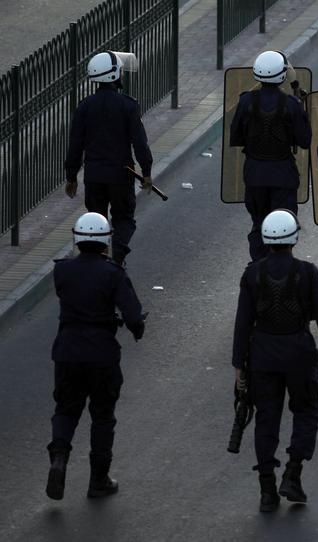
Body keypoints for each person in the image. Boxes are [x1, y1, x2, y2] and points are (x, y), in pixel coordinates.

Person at [231, 209, 318, 512]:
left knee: (266, 419)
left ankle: (267, 490)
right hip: (299, 353)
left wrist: (237, 366)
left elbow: (243, 322)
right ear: (294, 237)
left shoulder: (253, 273)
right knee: (307, 410)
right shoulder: (307, 273)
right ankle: (293, 473)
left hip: (262, 356)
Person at [46, 212, 146, 501]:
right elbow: (132, 314)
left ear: (77, 239)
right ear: (106, 241)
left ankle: (59, 457)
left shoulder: (62, 271)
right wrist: (137, 328)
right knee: (102, 416)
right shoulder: (113, 273)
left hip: (67, 351)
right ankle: (98, 480)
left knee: (65, 409)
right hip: (102, 354)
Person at [64, 51, 154, 266]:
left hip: (94, 176)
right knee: (124, 219)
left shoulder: (84, 107)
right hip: (121, 175)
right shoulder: (128, 106)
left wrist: (71, 177)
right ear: (114, 75)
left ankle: (97, 260)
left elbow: (75, 145)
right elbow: (139, 143)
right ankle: (118, 256)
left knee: (97, 221)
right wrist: (147, 173)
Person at [230, 50, 312, 261]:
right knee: (283, 224)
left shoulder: (246, 101)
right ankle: (281, 266)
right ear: (282, 75)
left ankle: (257, 266)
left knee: (258, 224)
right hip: (282, 174)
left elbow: (236, 135)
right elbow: (305, 141)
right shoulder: (291, 104)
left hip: (255, 174)